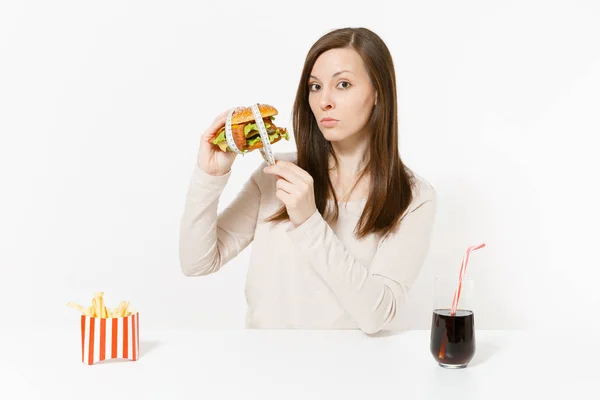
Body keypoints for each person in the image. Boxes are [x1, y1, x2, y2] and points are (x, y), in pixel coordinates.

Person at [179, 27, 437, 334]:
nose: (324, 101)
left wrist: (308, 221)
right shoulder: (275, 173)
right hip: (265, 370)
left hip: (355, 375)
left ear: (378, 93)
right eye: (315, 87)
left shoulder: (413, 196)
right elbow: (197, 262)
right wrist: (209, 175)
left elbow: (378, 316)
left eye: (343, 84)